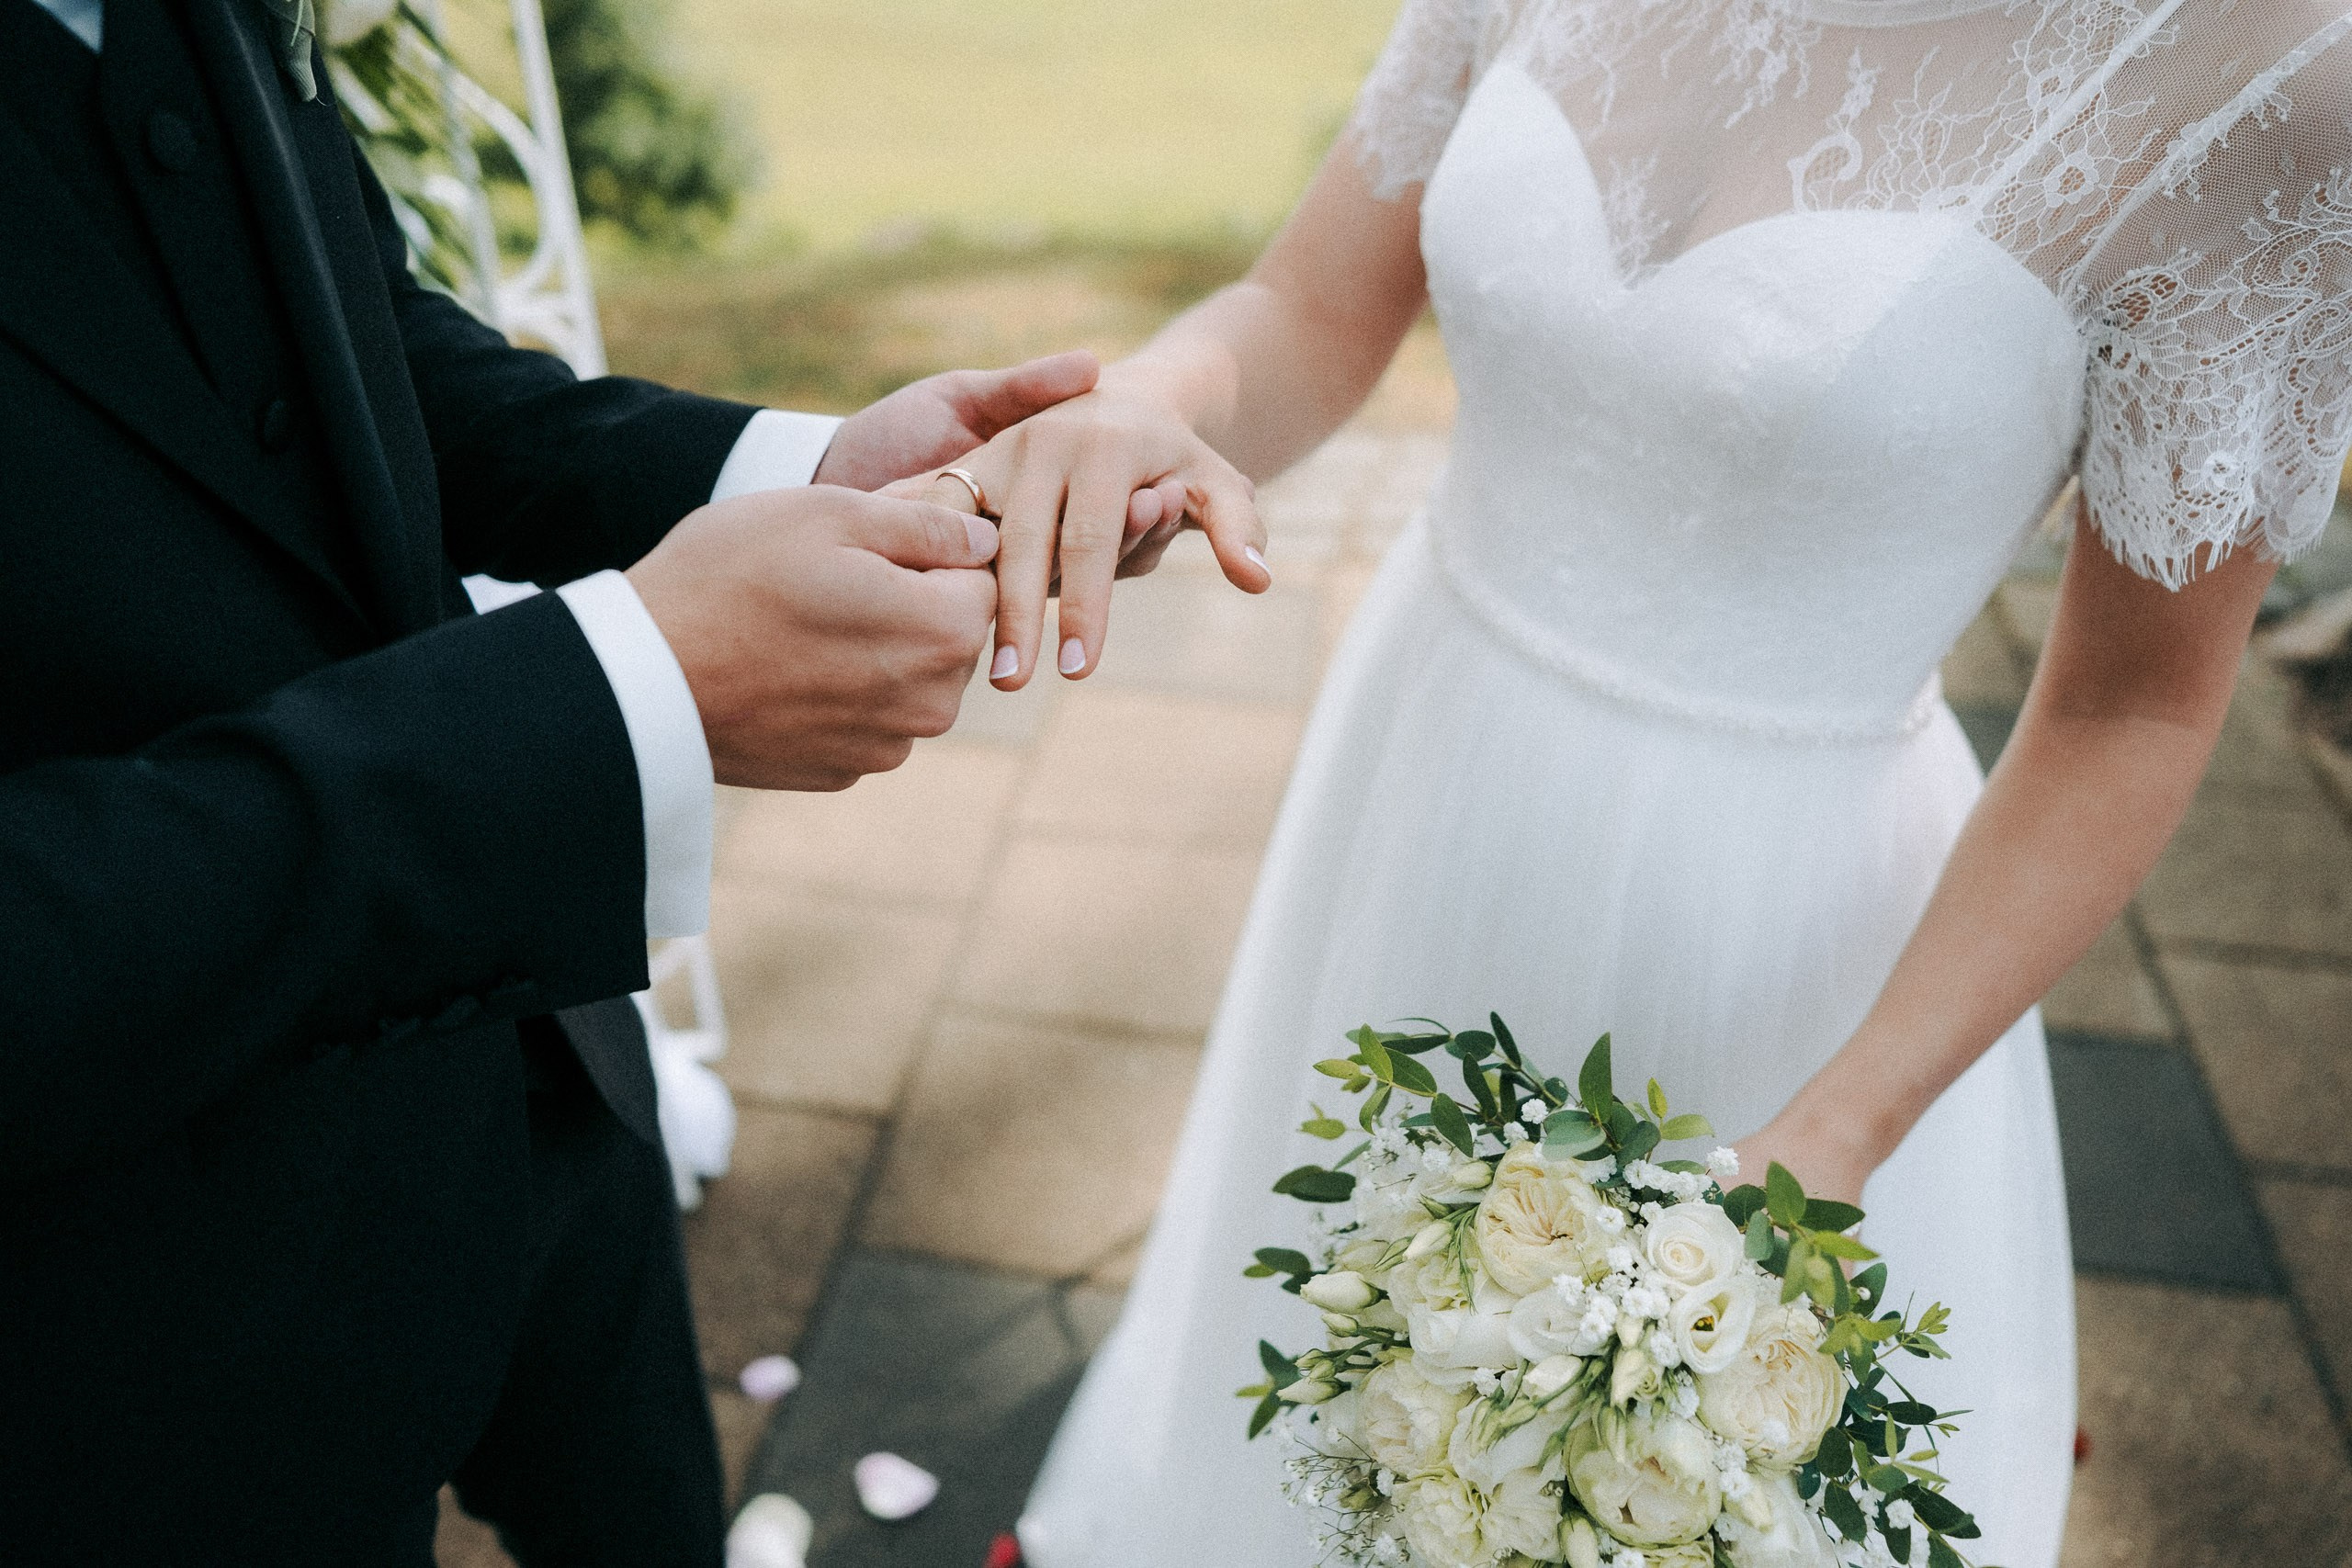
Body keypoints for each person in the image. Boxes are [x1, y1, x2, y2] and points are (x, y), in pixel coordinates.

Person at [904, 2, 2352, 1564]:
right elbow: (1309, 308)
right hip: (1420, 764)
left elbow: (2130, 711)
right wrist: (1157, 403)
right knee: (1342, 1385)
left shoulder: (2263, 84)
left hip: (1781, 951)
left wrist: (1843, 1132)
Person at [0, 0, 1235, 1561]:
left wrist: (787, 473)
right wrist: (613, 703)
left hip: (535, 1093)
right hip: (126, 1344)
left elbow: (340, 340)